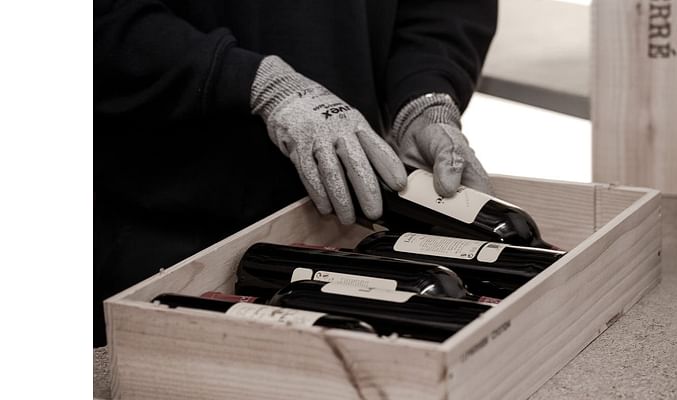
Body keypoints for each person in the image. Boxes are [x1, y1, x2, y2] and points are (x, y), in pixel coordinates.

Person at [94, 0, 498, 347]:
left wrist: (424, 96)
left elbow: (446, 8)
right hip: (155, 234)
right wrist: (246, 80)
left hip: (346, 223)